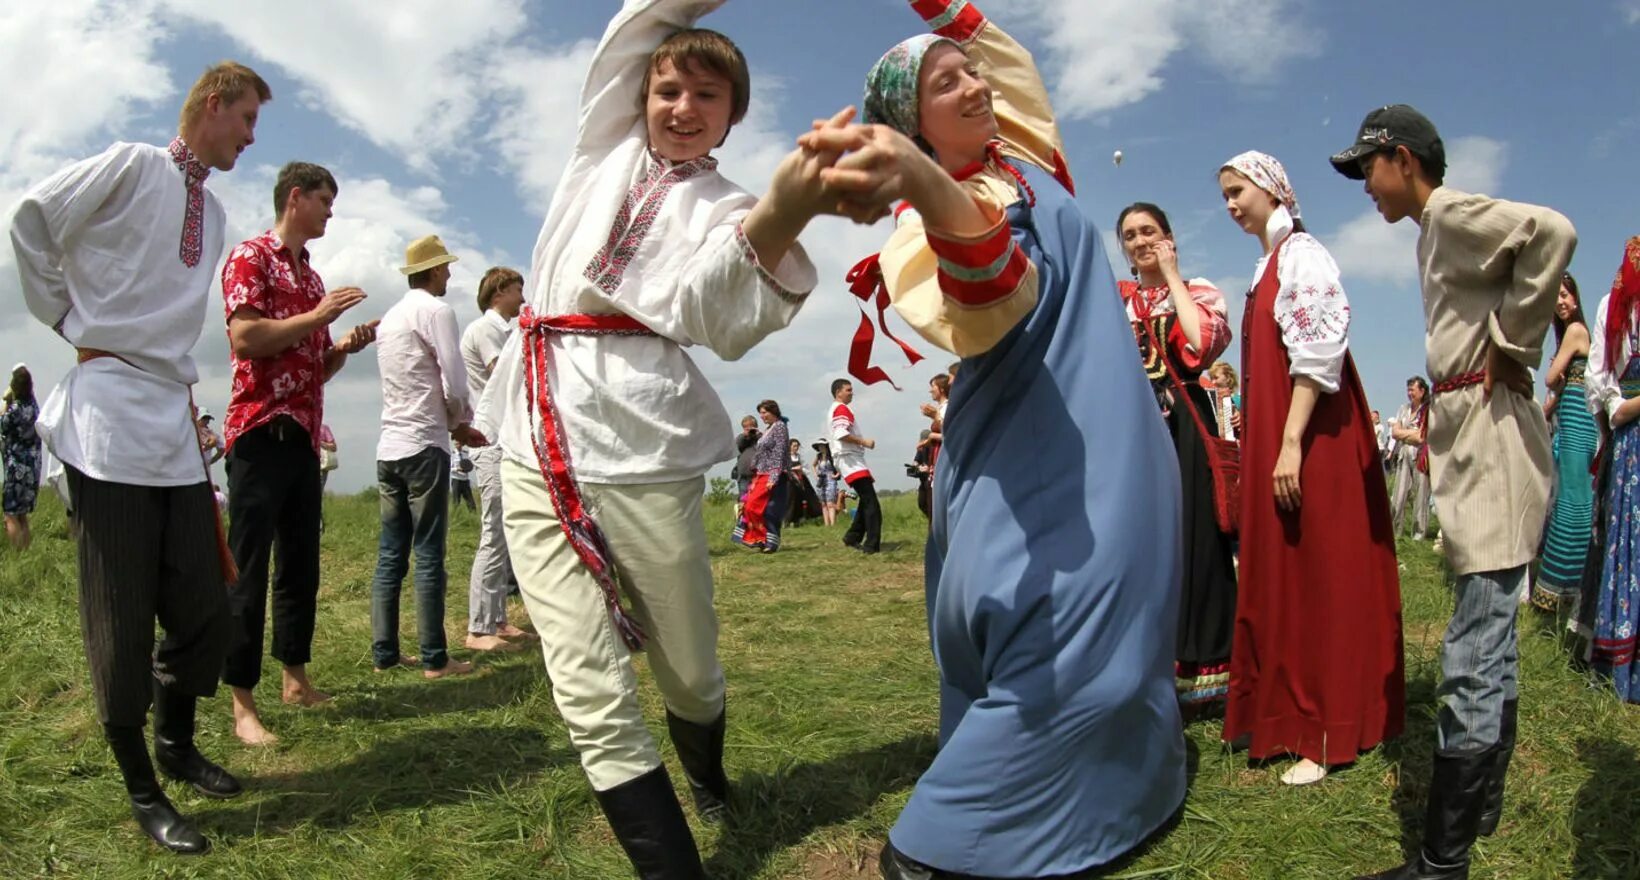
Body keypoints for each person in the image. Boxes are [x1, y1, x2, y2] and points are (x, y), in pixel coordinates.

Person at [800, 2, 1186, 874]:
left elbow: (1001, 57)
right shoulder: (909, 239)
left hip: (1113, 433)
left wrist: (940, 15)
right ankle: (933, 848)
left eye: (968, 73)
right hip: (1031, 452)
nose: (974, 84)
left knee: (1124, 626)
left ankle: (1121, 794)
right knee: (1058, 640)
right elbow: (988, 308)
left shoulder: (1030, 159)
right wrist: (923, 183)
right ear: (912, 129)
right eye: (947, 84)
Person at [473, 2, 828, 873]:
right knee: (587, 686)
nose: (682, 106)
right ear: (640, 95)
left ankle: (706, 773)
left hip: (643, 441)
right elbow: (636, 25)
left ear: (732, 115)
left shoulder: (727, 206)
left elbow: (716, 305)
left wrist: (785, 206)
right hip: (534, 430)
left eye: (707, 95)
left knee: (690, 669)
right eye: (668, 88)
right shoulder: (601, 150)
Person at [10, 61, 271, 854]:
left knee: (203, 604)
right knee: (120, 616)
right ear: (214, 103)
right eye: (248, 119)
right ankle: (140, 786)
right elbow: (30, 217)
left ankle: (175, 742)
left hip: (169, 416)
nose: (251, 137)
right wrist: (64, 313)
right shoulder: (130, 163)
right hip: (107, 412)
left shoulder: (219, 216)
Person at [1332, 103, 1575, 880]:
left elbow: (1554, 234)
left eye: (1368, 167)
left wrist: (1512, 343)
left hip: (1490, 435)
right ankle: (1484, 807)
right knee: (1490, 631)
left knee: (1473, 646)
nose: (1365, 186)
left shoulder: (1452, 211)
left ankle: (1444, 862)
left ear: (1403, 159)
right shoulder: (1436, 232)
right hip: (1473, 431)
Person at [1217, 150, 1405, 787]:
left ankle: (1327, 726)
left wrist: (1291, 441)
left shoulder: (1303, 256)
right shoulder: (1266, 264)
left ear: (1272, 190)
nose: (1232, 204)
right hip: (1285, 435)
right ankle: (1284, 714)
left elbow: (1318, 353)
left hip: (1316, 438)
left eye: (1238, 190)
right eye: (1225, 196)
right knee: (1289, 572)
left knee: (1321, 573)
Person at [218, 160, 380, 745]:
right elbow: (246, 337)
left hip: (303, 439)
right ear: (295, 197)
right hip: (259, 435)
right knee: (249, 567)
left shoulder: (312, 280)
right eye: (324, 201)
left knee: (299, 566)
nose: (330, 212)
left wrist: (341, 347)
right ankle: (241, 704)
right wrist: (317, 318)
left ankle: (294, 677)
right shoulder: (250, 258)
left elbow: (314, 368)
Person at [1116, 201, 1238, 717]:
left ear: (1168, 237)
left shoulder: (1201, 290)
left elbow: (1201, 344)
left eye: (1149, 232)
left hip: (1186, 426)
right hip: (1130, 428)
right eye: (1129, 236)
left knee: (1194, 539)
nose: (1140, 241)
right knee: (1134, 542)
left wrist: (1171, 275)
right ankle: (1141, 664)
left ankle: (1205, 672)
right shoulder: (1114, 302)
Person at [371, 234, 481, 680]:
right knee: (429, 552)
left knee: (390, 554)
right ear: (434, 271)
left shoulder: (390, 318)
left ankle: (385, 654)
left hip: (389, 447)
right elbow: (454, 379)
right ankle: (435, 657)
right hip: (424, 443)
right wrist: (460, 421)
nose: (450, 274)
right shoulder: (437, 311)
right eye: (446, 268)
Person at [461, 266, 531, 652]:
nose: (522, 297)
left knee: (506, 532)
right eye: (517, 289)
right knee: (494, 530)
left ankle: (496, 619)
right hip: (492, 440)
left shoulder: (502, 329)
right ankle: (479, 627)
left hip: (504, 437)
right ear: (499, 291)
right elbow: (506, 374)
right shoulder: (488, 329)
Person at [1586, 238, 1640, 703]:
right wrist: (1625, 407)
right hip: (1633, 440)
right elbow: (1605, 386)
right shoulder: (1615, 307)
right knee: (1629, 539)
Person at [1534, 273, 1597, 612]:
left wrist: (1554, 380)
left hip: (1576, 420)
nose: (1559, 302)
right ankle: (1566, 588)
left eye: (1564, 294)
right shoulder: (1577, 333)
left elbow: (1548, 378)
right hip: (1574, 417)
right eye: (1555, 297)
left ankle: (1562, 588)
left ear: (1575, 297)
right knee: (1573, 499)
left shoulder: (1575, 331)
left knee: (1572, 502)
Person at [828, 379, 881, 554]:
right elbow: (841, 433)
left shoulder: (836, 409)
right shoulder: (841, 408)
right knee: (871, 502)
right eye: (848, 390)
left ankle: (853, 536)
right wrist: (864, 442)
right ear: (838, 392)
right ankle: (871, 545)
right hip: (850, 459)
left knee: (865, 501)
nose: (852, 393)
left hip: (849, 458)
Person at [733, 400, 791, 552]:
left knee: (768, 509)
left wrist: (773, 477)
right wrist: (754, 466)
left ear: (773, 412)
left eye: (764, 412)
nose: (762, 416)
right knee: (751, 505)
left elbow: (779, 452)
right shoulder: (769, 429)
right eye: (761, 413)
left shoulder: (779, 427)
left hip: (773, 474)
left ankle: (770, 542)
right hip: (761, 473)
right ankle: (759, 538)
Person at [1387, 376, 1433, 540]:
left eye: (1412, 390)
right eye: (1408, 390)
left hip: (1420, 457)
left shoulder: (1428, 410)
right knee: (1398, 496)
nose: (1409, 393)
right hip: (1403, 456)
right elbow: (1394, 432)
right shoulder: (1403, 409)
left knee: (1421, 496)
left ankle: (1418, 535)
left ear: (1422, 391)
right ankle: (1395, 533)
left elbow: (1422, 437)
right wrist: (1409, 434)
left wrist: (1403, 434)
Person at [3, 365, 42, 550]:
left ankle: (17, 553)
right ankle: (26, 551)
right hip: (32, 469)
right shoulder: (34, 408)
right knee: (23, 515)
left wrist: (7, 401)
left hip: (15, 468)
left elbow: (3, 424)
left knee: (10, 514)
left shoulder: (14, 410)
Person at [813, 440, 840, 526]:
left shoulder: (831, 456)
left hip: (830, 480)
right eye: (819, 446)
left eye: (822, 445)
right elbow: (813, 465)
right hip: (821, 480)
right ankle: (826, 524)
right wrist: (816, 474)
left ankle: (833, 524)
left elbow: (839, 465)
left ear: (826, 446)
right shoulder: (819, 456)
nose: (820, 447)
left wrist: (837, 475)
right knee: (823, 503)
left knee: (830, 503)